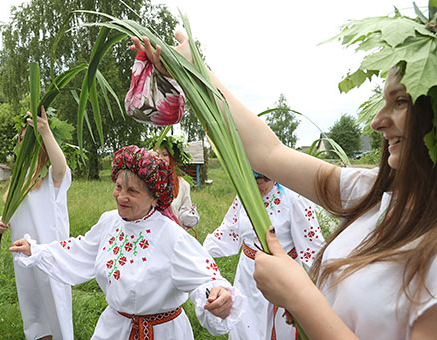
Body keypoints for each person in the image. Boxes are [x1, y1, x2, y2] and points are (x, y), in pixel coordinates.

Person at [129, 32, 437, 339]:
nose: (377, 121)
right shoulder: (372, 192)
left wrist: (300, 297)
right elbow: (269, 153)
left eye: (400, 102)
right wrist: (194, 70)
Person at [9, 145, 243, 340]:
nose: (121, 196)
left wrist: (218, 294)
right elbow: (81, 250)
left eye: (132, 191)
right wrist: (36, 250)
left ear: (155, 197)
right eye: (119, 187)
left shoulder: (172, 236)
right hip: (114, 329)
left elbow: (207, 278)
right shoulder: (110, 221)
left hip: (162, 332)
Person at [203, 171, 324, 339]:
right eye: (253, 179)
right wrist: (198, 252)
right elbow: (228, 231)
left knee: (281, 330)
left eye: (263, 179)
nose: (258, 184)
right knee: (246, 329)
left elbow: (313, 248)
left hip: (282, 278)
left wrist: (321, 290)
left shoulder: (294, 199)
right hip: (247, 277)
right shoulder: (244, 196)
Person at [0, 106, 73, 340]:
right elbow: (10, 215)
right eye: (20, 139)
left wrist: (46, 132)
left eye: (28, 139)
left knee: (54, 306)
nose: (22, 144)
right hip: (23, 257)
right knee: (33, 310)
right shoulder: (19, 179)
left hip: (49, 254)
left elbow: (62, 167)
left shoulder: (51, 177)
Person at [155, 138, 199, 229]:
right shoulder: (146, 183)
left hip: (172, 234)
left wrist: (188, 219)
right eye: (156, 154)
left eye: (165, 154)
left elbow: (185, 211)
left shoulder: (183, 185)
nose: (160, 158)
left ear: (172, 158)